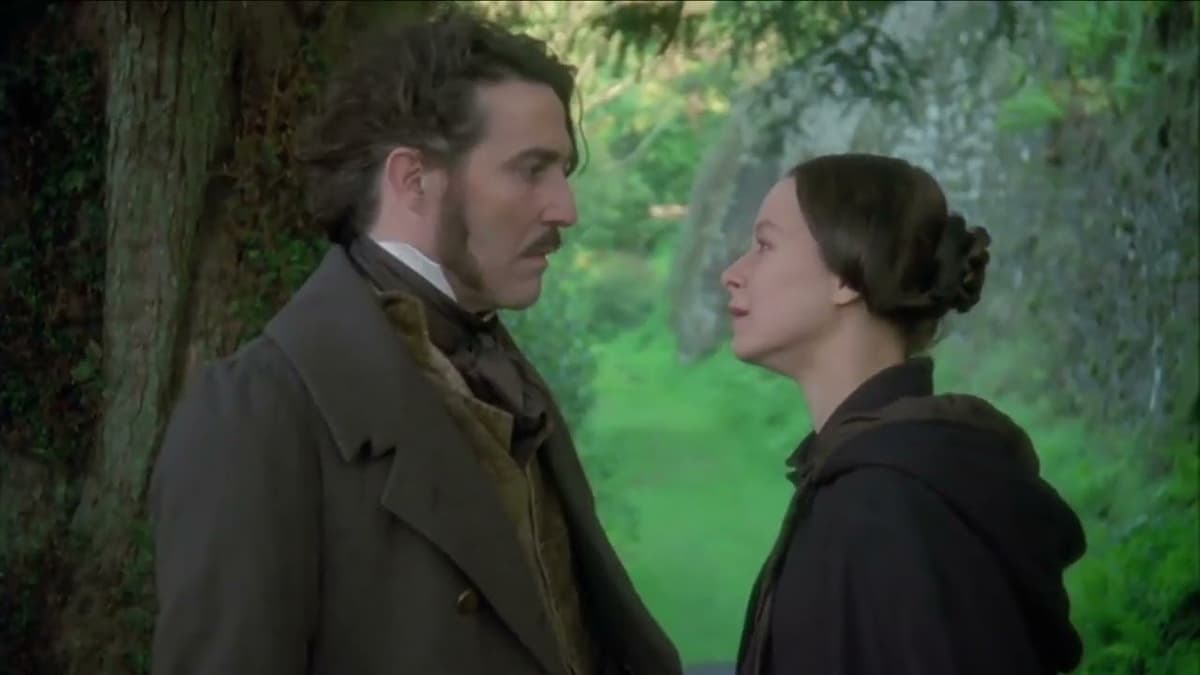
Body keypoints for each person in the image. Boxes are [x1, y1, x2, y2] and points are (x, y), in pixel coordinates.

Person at [148, 10, 681, 675]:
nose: (565, 208)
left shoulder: (501, 368)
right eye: (531, 170)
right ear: (413, 179)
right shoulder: (256, 412)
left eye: (563, 171)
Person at [721, 153, 1087, 675]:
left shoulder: (881, 509)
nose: (732, 274)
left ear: (847, 274)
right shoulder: (884, 475)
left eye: (764, 245)